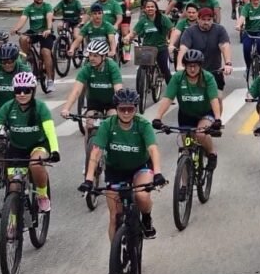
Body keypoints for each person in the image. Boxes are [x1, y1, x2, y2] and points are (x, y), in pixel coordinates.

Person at [80, 89, 165, 240]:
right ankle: (115, 256)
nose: (126, 112)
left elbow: (153, 149)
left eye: (130, 109)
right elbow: (96, 152)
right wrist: (88, 179)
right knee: (114, 217)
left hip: (140, 167)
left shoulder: (143, 125)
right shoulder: (108, 125)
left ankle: (146, 219)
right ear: (116, 109)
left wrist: (157, 173)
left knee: (142, 196)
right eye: (122, 109)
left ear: (135, 109)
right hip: (115, 170)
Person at [0, 72, 60, 212]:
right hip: (17, 147)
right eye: (17, 90)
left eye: (26, 90)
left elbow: (50, 131)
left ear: (33, 91)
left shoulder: (40, 107)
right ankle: (12, 221)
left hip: (38, 145)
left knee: (35, 164)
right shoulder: (8, 107)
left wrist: (55, 150)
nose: (21, 94)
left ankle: (42, 195)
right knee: (14, 187)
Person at [152, 49, 222, 171]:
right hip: (186, 115)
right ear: (185, 66)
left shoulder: (208, 78)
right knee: (186, 151)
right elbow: (168, 98)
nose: (192, 69)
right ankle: (184, 187)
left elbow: (213, 99)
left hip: (205, 113)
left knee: (200, 133)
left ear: (200, 66)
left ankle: (212, 153)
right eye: (189, 66)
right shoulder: (178, 78)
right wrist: (158, 117)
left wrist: (217, 119)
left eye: (195, 66)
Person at [60, 39, 124, 141]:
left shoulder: (112, 67)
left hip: (111, 102)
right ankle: (88, 153)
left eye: (95, 56)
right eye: (90, 55)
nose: (91, 58)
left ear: (104, 57)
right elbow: (76, 91)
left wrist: (122, 107)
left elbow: (118, 90)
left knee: (114, 123)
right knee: (89, 124)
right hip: (94, 102)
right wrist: (66, 109)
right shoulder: (87, 68)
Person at [176, 8, 233, 93]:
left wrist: (228, 63)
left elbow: (224, 46)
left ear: (212, 19)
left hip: (214, 71)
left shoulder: (219, 30)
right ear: (198, 19)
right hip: (195, 72)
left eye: (209, 20)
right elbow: (184, 48)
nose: (206, 22)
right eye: (203, 19)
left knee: (218, 98)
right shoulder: (190, 31)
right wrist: (179, 64)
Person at [10, 0, 55, 92]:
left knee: (45, 52)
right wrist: (16, 29)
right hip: (34, 32)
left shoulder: (47, 6)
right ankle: (28, 58)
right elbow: (23, 19)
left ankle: (50, 80)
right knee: (23, 38)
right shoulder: (29, 8)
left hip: (45, 32)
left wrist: (48, 29)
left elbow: (49, 17)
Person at [124, 0, 174, 84]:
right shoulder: (143, 20)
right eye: (148, 7)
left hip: (161, 48)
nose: (150, 8)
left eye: (152, 7)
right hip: (147, 49)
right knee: (141, 69)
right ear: (144, 9)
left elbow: (172, 30)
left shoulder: (163, 18)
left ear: (156, 8)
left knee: (166, 71)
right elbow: (134, 32)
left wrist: (171, 44)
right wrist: (127, 37)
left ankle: (171, 93)